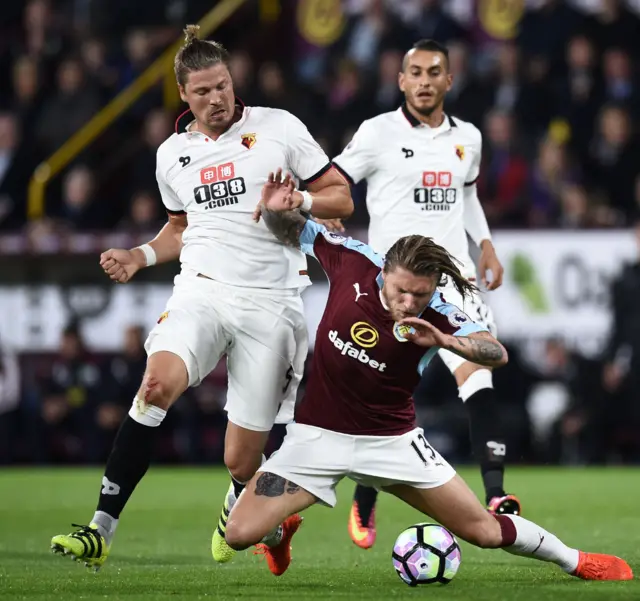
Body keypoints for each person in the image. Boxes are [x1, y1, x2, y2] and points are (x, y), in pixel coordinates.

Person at [49, 25, 352, 571]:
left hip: (272, 301)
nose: (218, 99)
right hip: (202, 291)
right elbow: (180, 227)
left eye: (224, 86)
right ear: (184, 97)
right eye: (204, 91)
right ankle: (100, 529)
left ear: (234, 81)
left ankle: (238, 505)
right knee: (154, 386)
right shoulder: (172, 155)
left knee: (241, 460)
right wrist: (140, 255)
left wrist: (299, 198)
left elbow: (342, 198)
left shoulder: (279, 128)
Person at [223, 193, 632, 582]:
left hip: (392, 444)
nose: (408, 303)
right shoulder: (352, 261)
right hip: (314, 437)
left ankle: (577, 561)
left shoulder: (438, 314)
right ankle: (280, 534)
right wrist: (277, 207)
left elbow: (495, 352)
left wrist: (446, 341)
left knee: (484, 532)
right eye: (401, 291)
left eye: (420, 294)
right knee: (238, 533)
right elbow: (290, 228)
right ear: (383, 272)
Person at [331, 39, 518, 550]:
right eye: (415, 71)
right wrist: (325, 205)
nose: (425, 80)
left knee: (477, 374)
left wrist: (486, 246)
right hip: (396, 289)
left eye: (434, 71)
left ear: (449, 80)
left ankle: (497, 495)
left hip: (453, 281)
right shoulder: (377, 132)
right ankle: (365, 496)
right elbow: (336, 176)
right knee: (385, 396)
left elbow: (468, 195)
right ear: (401, 80)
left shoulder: (469, 139)